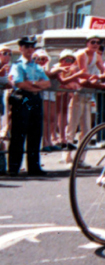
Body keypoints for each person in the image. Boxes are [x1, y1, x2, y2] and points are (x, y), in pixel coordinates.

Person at [7, 36, 51, 176]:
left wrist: (33, 85)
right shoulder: (17, 65)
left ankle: (34, 167)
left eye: (32, 47)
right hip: (22, 99)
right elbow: (20, 83)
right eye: (26, 47)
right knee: (18, 134)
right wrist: (37, 85)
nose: (29, 49)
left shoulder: (36, 66)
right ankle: (14, 168)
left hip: (35, 99)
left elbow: (47, 83)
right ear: (21, 48)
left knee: (35, 133)